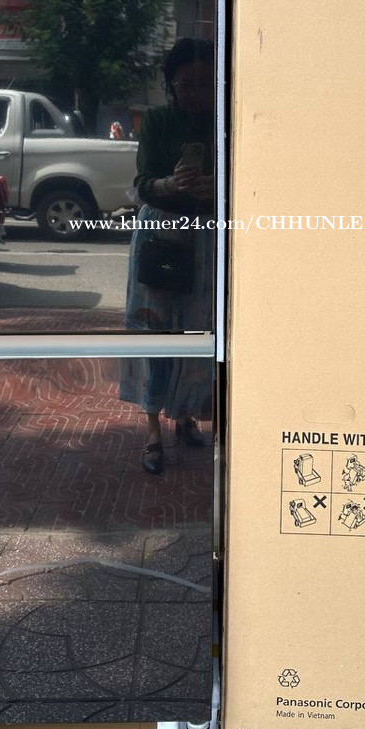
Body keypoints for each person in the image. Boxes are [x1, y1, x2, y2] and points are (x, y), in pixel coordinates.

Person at [120, 38, 215, 475]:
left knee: (195, 332)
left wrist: (216, 188)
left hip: (205, 237)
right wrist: (169, 186)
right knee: (155, 330)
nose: (195, 92)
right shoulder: (157, 120)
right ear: (171, 84)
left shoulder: (225, 121)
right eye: (186, 84)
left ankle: (186, 415)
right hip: (160, 232)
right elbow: (142, 183)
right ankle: (152, 429)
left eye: (204, 83)